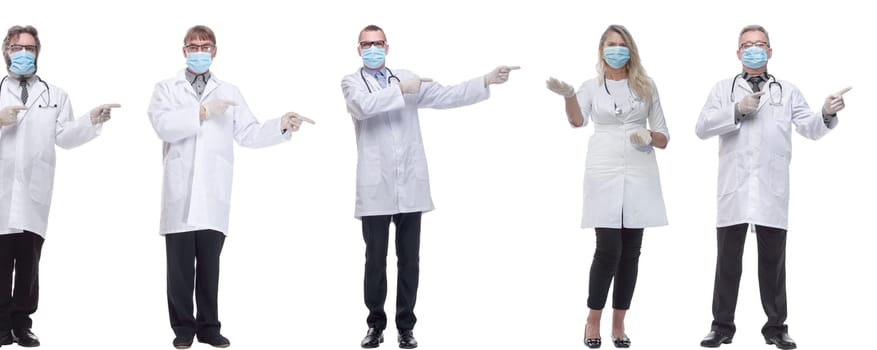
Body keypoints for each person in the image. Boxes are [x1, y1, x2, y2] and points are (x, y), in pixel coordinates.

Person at [341, 24, 518, 349]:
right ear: (358, 50)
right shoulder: (352, 83)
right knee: (375, 260)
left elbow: (447, 96)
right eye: (367, 44)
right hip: (375, 187)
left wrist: (485, 80)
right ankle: (375, 325)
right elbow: (363, 107)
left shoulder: (406, 78)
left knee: (409, 260)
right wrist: (400, 91)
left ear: (387, 46)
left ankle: (405, 327)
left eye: (378, 43)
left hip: (410, 184)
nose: (373, 48)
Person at [147, 25, 314, 350]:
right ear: (184, 51)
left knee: (210, 268)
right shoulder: (166, 89)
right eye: (193, 46)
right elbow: (163, 126)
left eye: (205, 46)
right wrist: (201, 112)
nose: (199, 51)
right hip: (179, 194)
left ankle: (209, 328)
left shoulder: (230, 91)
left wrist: (281, 124)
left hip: (213, 194)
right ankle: (183, 329)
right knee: (180, 271)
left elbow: (248, 133)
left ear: (214, 51)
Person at [0, 25, 119, 349]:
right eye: (18, 47)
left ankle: (23, 326)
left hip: (34, 192)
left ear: (38, 53)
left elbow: (65, 136)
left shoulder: (54, 94)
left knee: (29, 265)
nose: (24, 54)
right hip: (0, 194)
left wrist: (93, 119)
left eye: (30, 49)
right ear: (6, 50)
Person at [695, 25, 850, 350]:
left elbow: (810, 127)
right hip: (734, 191)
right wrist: (736, 110)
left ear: (770, 51)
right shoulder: (724, 89)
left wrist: (826, 112)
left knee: (773, 264)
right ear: (738, 53)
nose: (754, 49)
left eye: (760, 44)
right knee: (727, 263)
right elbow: (702, 128)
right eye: (747, 45)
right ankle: (721, 327)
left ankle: (776, 329)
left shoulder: (787, 91)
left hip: (771, 190)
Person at [546, 24, 669, 349]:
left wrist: (648, 137)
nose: (617, 49)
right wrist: (569, 97)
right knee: (608, 249)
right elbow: (576, 121)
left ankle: (619, 323)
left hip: (640, 169)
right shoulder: (591, 86)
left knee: (631, 252)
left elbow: (663, 136)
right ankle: (592, 318)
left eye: (622, 44)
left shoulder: (646, 86)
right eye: (611, 44)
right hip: (603, 169)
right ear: (602, 50)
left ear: (631, 49)